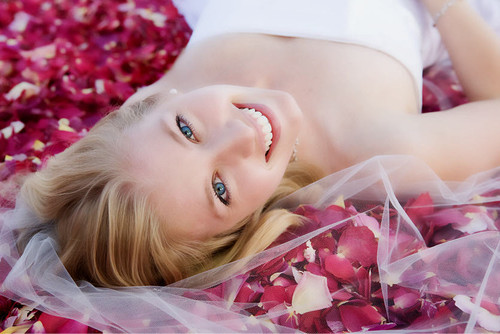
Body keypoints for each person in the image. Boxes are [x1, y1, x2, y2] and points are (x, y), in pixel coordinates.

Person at [14, 0, 500, 287]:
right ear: (239, 233)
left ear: (148, 103)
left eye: (186, 130)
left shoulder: (146, 122)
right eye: (220, 189)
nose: (240, 134)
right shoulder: (378, 151)